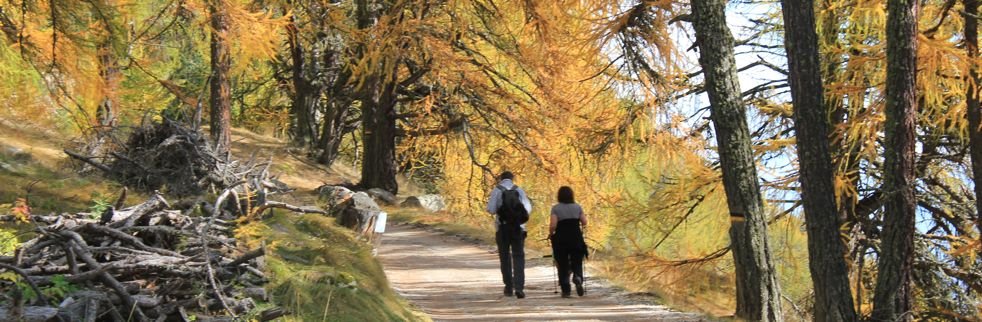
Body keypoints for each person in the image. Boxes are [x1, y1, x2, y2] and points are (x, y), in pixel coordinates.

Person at [486, 171, 532, 298]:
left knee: (505, 257)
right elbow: (528, 209)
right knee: (518, 256)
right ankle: (519, 287)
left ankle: (508, 286)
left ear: (501, 179)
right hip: (518, 228)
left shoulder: (497, 190)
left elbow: (491, 209)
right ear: (512, 178)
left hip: (503, 228)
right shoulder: (519, 190)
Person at [549, 186, 588, 298]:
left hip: (561, 238)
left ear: (559, 196)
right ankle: (578, 276)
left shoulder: (556, 208)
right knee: (577, 260)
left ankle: (566, 289)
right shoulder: (577, 207)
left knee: (562, 263)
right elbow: (584, 222)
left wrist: (551, 234)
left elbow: (553, 225)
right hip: (576, 237)